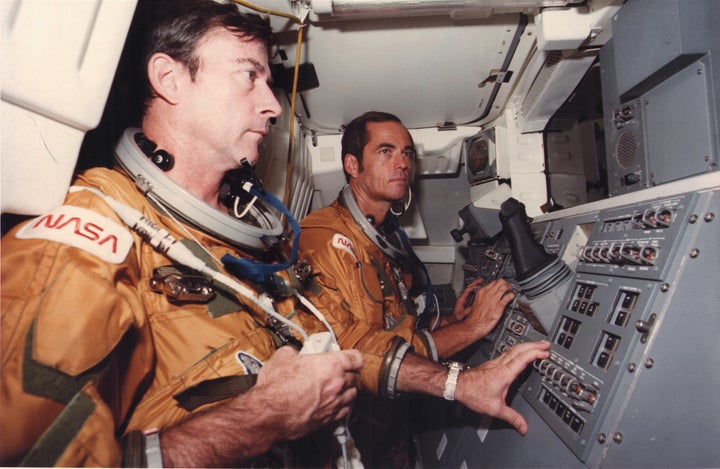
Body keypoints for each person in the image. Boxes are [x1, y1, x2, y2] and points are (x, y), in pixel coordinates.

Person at [0, 1, 363, 467]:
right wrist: (263, 418)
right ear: (170, 79)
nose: (273, 104)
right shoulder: (100, 223)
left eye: (269, 82)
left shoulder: (243, 234)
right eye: (249, 75)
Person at [299, 111, 551, 467]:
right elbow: (352, 349)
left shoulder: (380, 237)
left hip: (391, 426)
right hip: (354, 437)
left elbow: (393, 322)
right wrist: (470, 335)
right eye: (385, 151)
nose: (401, 163)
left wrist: (448, 322)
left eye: (407, 153)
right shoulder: (325, 239)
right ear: (352, 165)